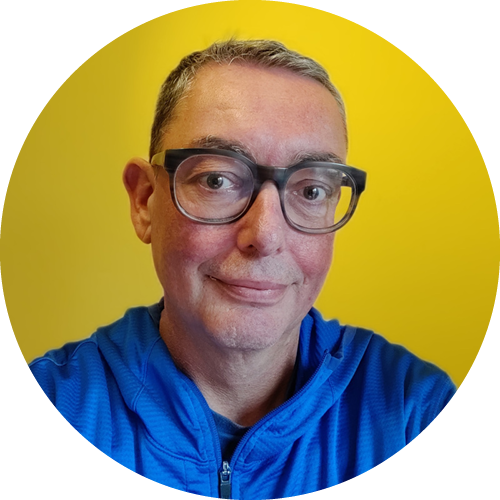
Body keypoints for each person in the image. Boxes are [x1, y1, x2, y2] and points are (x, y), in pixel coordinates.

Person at [29, 39, 455, 500]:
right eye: (217, 180)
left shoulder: (417, 416)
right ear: (145, 202)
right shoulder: (41, 412)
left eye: (311, 190)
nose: (265, 235)